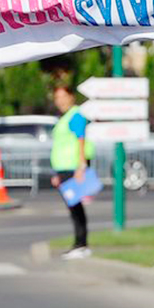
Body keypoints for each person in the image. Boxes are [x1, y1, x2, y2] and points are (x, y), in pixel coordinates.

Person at [49, 83, 95, 260]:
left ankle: (81, 244)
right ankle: (79, 243)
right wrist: (57, 174)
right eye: (57, 98)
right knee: (73, 208)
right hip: (64, 169)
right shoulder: (65, 117)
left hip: (73, 168)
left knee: (76, 208)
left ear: (71, 97)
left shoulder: (75, 115)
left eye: (63, 97)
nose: (60, 101)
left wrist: (81, 166)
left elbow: (80, 140)